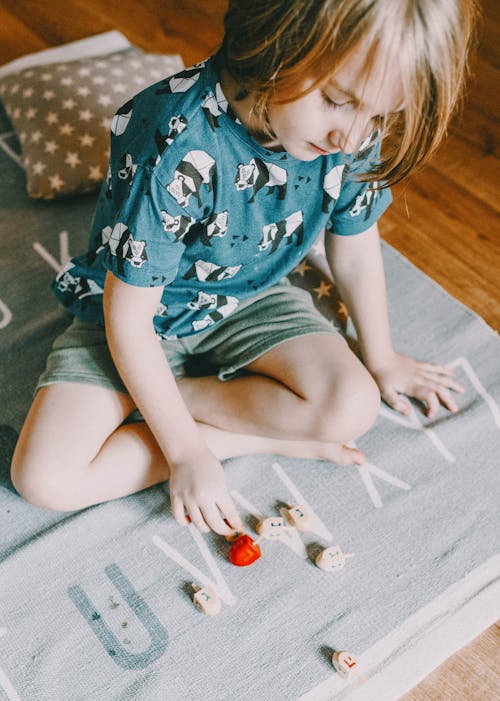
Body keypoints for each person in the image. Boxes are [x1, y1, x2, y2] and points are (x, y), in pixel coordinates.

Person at [11, 0, 477, 535]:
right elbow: (129, 321)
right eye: (337, 102)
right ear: (273, 44)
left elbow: (353, 245)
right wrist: (187, 454)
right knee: (44, 479)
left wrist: (384, 356)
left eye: (378, 115)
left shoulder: (352, 130)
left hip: (249, 295)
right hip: (136, 315)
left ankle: (171, 400)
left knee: (352, 406)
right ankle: (240, 436)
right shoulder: (174, 140)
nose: (351, 138)